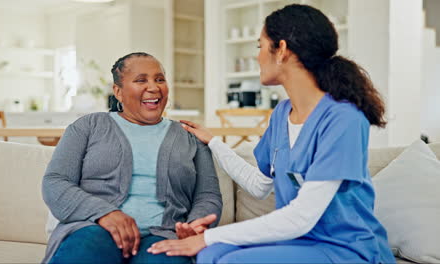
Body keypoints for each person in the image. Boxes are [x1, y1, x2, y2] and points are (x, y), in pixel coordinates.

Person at [147, 4, 396, 264]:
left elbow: (301, 217)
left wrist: (208, 236)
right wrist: (215, 143)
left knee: (227, 259)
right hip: (300, 243)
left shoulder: (343, 119)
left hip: (346, 249)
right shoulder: (282, 114)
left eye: (260, 46)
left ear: (282, 50)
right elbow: (259, 186)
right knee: (210, 254)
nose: (257, 57)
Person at [41, 52, 222, 264]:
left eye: (160, 79)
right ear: (118, 91)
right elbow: (55, 182)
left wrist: (195, 225)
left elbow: (208, 195)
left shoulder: (189, 136)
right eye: (141, 80)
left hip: (164, 236)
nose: (154, 87)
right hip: (94, 230)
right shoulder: (87, 127)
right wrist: (104, 213)